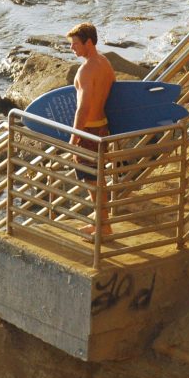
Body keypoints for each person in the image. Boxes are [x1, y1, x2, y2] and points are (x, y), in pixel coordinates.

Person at [66, 22, 116, 236]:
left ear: (88, 42)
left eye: (75, 43)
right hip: (103, 127)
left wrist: (74, 138)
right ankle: (101, 223)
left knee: (92, 181)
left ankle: (104, 227)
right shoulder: (105, 63)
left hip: (89, 132)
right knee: (98, 179)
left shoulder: (86, 70)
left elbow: (83, 108)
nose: (72, 48)